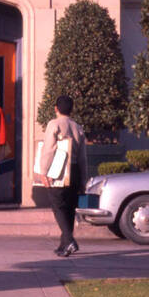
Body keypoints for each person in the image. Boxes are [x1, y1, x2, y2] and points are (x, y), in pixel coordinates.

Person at [40, 95, 87, 257]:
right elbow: (83, 157)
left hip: (58, 171)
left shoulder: (54, 124)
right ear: (71, 109)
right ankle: (64, 245)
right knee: (70, 208)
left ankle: (69, 241)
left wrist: (43, 171)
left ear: (56, 108)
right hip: (75, 171)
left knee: (58, 205)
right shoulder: (77, 127)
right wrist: (83, 180)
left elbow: (48, 150)